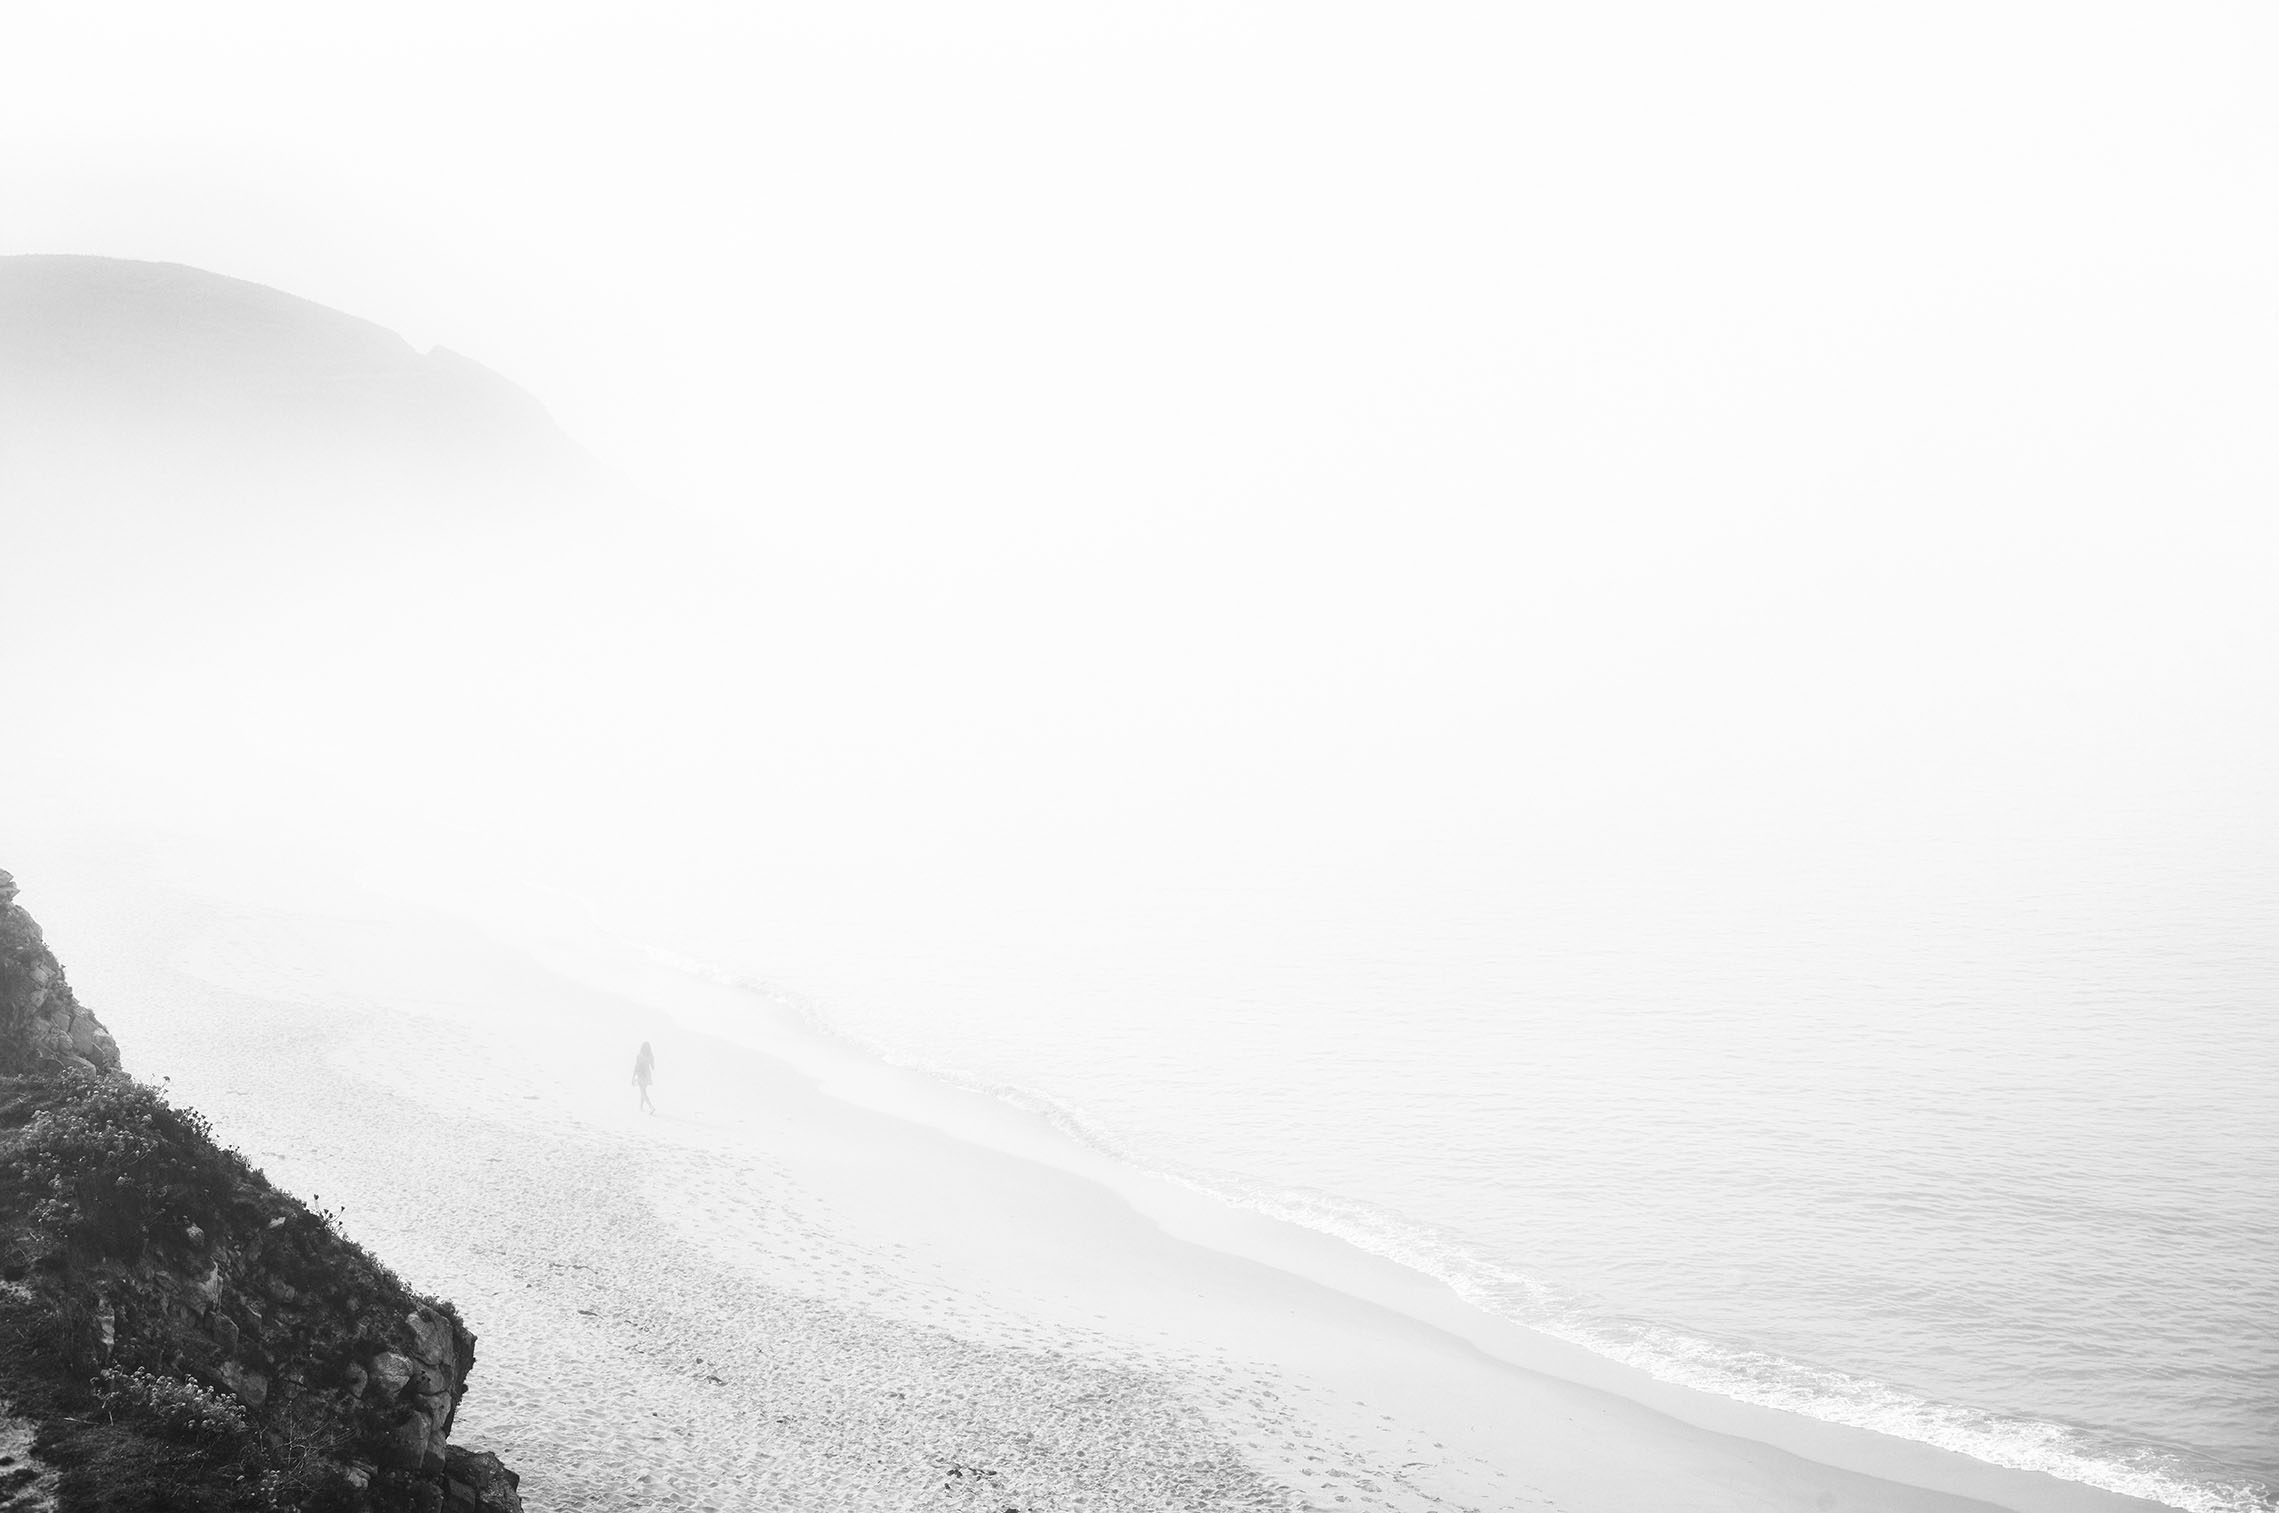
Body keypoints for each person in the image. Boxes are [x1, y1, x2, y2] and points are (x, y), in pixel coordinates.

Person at [632, 1041, 656, 1114]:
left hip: (641, 1075)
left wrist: (633, 1076)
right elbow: (653, 1067)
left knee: (643, 1091)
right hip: (647, 1075)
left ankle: (651, 1107)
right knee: (643, 1091)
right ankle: (641, 1107)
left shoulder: (639, 1056)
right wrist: (651, 1062)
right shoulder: (650, 1055)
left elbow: (636, 1066)